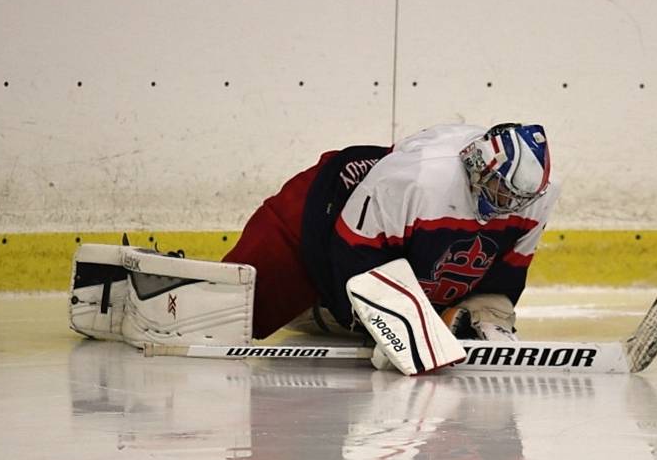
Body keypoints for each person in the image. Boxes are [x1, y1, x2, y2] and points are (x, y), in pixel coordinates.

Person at [221, 122, 558, 344]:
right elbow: (351, 251)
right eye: (503, 191)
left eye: (520, 198)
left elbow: (506, 270)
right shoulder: (416, 179)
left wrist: (487, 315)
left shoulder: (534, 199)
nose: (510, 204)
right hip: (326, 211)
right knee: (236, 312)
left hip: (397, 233)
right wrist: (385, 325)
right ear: (478, 166)